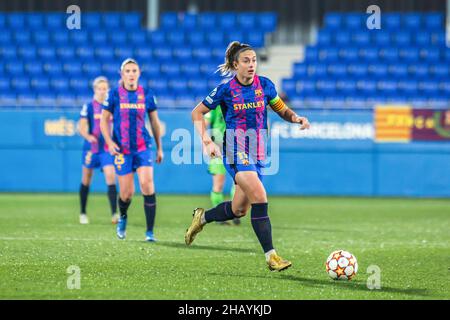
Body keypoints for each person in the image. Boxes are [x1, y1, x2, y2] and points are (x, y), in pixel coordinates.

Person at [185, 42, 310, 271]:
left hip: (258, 153)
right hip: (235, 150)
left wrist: (296, 118)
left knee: (238, 210)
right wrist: (206, 140)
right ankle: (271, 256)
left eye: (254, 60)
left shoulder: (265, 85)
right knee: (260, 197)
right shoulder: (225, 89)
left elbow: (281, 109)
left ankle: (202, 218)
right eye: (246, 61)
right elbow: (197, 112)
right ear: (236, 64)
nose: (252, 64)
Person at [100, 58, 163, 241]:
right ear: (122, 74)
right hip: (122, 150)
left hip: (143, 147)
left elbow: (155, 122)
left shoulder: (147, 94)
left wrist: (159, 148)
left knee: (147, 185)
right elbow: (104, 120)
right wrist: (109, 142)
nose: (131, 74)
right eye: (127, 71)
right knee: (126, 193)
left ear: (139, 73)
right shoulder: (113, 94)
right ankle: (123, 218)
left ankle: (149, 232)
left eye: (134, 70)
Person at [78, 76, 118, 225]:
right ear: (95, 90)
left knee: (110, 175)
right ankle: (82, 212)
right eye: (99, 88)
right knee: (86, 179)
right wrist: (88, 136)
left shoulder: (112, 107)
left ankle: (114, 214)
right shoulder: (88, 107)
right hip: (91, 149)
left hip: (107, 148)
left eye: (105, 88)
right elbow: (81, 126)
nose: (102, 91)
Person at [204, 106, 239, 226]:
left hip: (236, 148)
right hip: (218, 149)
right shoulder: (216, 106)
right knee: (218, 185)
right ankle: (219, 216)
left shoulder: (238, 103)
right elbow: (203, 122)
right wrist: (207, 143)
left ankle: (234, 212)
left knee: (238, 182)